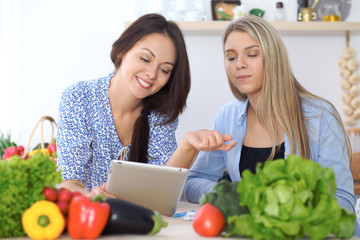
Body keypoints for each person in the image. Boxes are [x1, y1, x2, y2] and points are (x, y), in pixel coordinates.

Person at [183, 15, 359, 233]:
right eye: (231, 57)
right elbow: (194, 182)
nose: (239, 64)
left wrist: (288, 212)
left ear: (274, 58)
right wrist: (239, 197)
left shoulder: (320, 116)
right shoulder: (227, 116)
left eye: (252, 54)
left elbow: (343, 203)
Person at [57, 13, 235, 198]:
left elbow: (164, 189)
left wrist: (188, 145)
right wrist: (92, 198)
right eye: (145, 59)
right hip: (87, 218)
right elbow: (69, 182)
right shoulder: (78, 98)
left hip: (139, 219)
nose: (151, 74)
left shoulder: (160, 114)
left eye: (164, 69)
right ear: (122, 51)